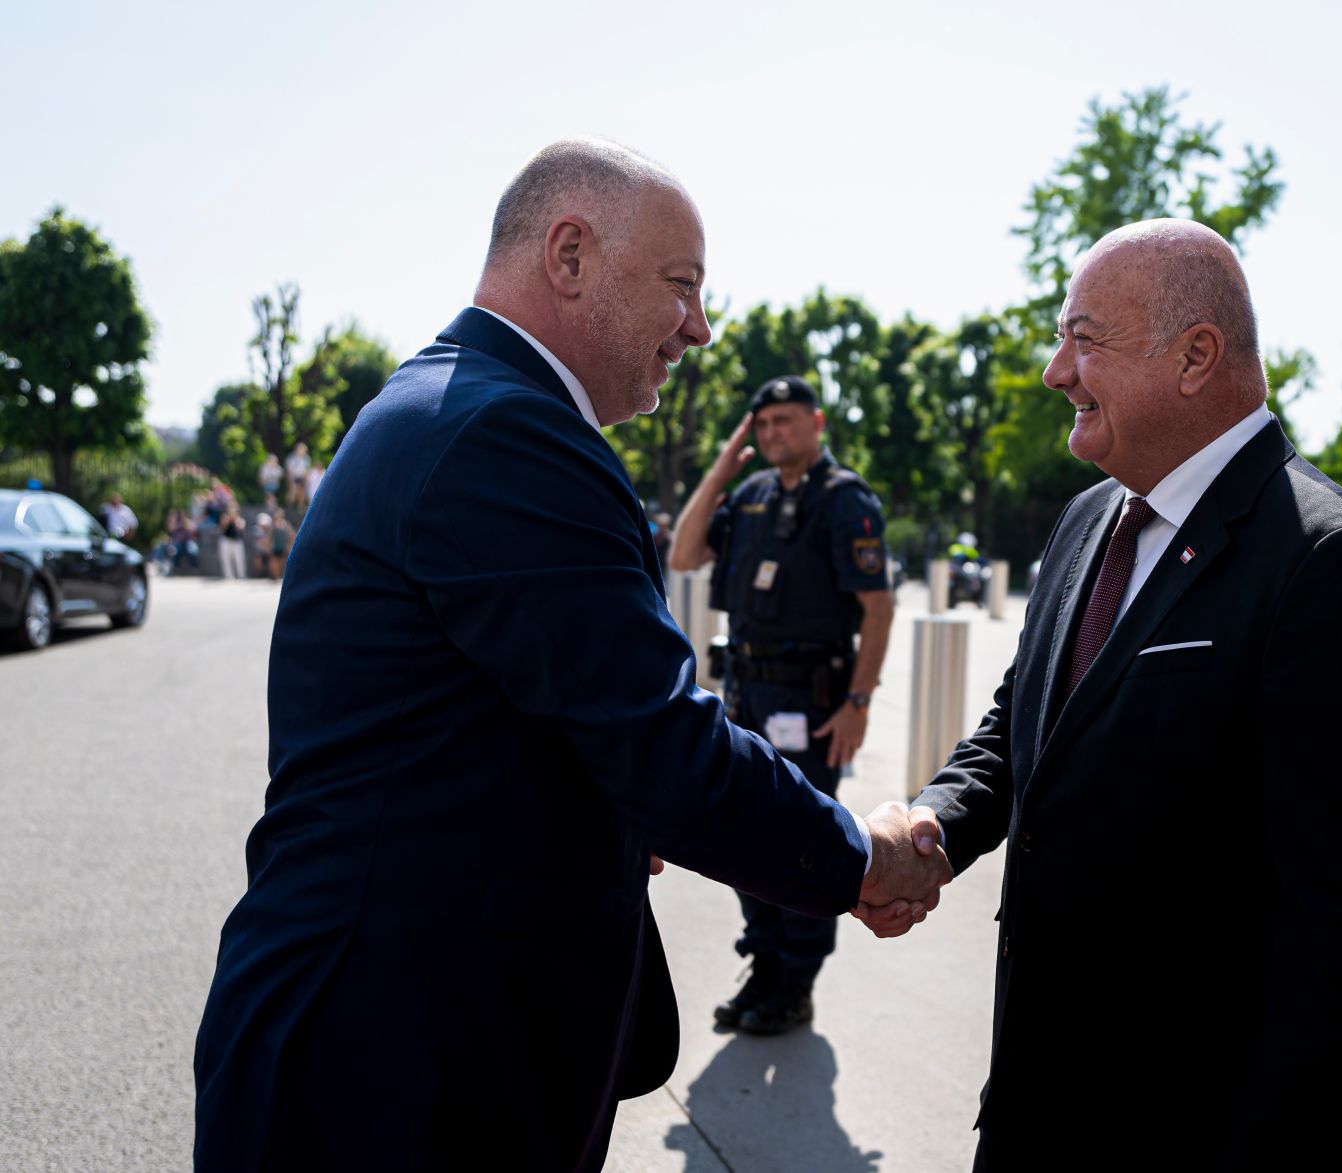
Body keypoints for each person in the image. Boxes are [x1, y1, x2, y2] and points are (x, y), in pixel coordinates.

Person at [191, 137, 948, 1173]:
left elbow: (514, 725)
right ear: (570, 255)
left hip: (397, 1037)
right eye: (679, 286)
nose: (698, 327)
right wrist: (859, 861)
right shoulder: (506, 434)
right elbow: (656, 741)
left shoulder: (451, 405)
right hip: (396, 1065)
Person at [856, 220, 1342, 1171]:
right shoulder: (1089, 518)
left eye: (1084, 340)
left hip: (1197, 1132)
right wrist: (931, 826)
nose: (1055, 371)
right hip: (1038, 1105)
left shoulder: (1331, 564)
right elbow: (1025, 723)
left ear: (1196, 356)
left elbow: (1339, 931)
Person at [669, 375, 895, 1035]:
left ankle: (796, 982)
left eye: (784, 422)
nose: (773, 434)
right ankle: (764, 964)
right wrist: (724, 463)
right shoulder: (750, 495)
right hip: (745, 695)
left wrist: (858, 701)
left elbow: (877, 609)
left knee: (801, 841)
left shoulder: (843, 499)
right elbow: (684, 553)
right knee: (742, 839)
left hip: (811, 700)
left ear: (816, 422)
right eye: (762, 425)